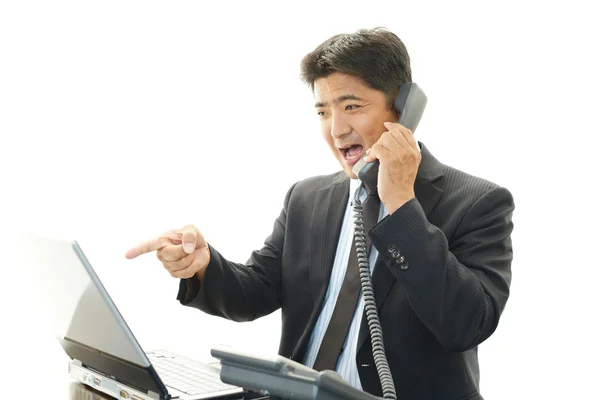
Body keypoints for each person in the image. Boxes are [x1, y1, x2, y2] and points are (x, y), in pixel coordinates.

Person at [126, 27, 514, 399]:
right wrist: (202, 265)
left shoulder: (478, 202)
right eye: (323, 112)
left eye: (351, 106)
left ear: (402, 109)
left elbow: (466, 324)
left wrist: (400, 205)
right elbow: (255, 291)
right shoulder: (306, 198)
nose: (336, 129)